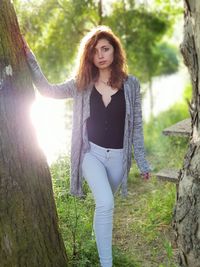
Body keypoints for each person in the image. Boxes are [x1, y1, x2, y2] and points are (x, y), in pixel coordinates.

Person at [23, 25, 151, 267]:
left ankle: (97, 239)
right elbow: (47, 90)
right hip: (91, 155)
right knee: (106, 203)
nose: (100, 55)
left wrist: (142, 162)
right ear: (89, 56)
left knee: (103, 205)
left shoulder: (131, 85)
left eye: (105, 48)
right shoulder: (82, 83)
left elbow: (136, 127)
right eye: (94, 51)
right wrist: (30, 57)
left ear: (115, 51)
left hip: (118, 160)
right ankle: (106, 263)